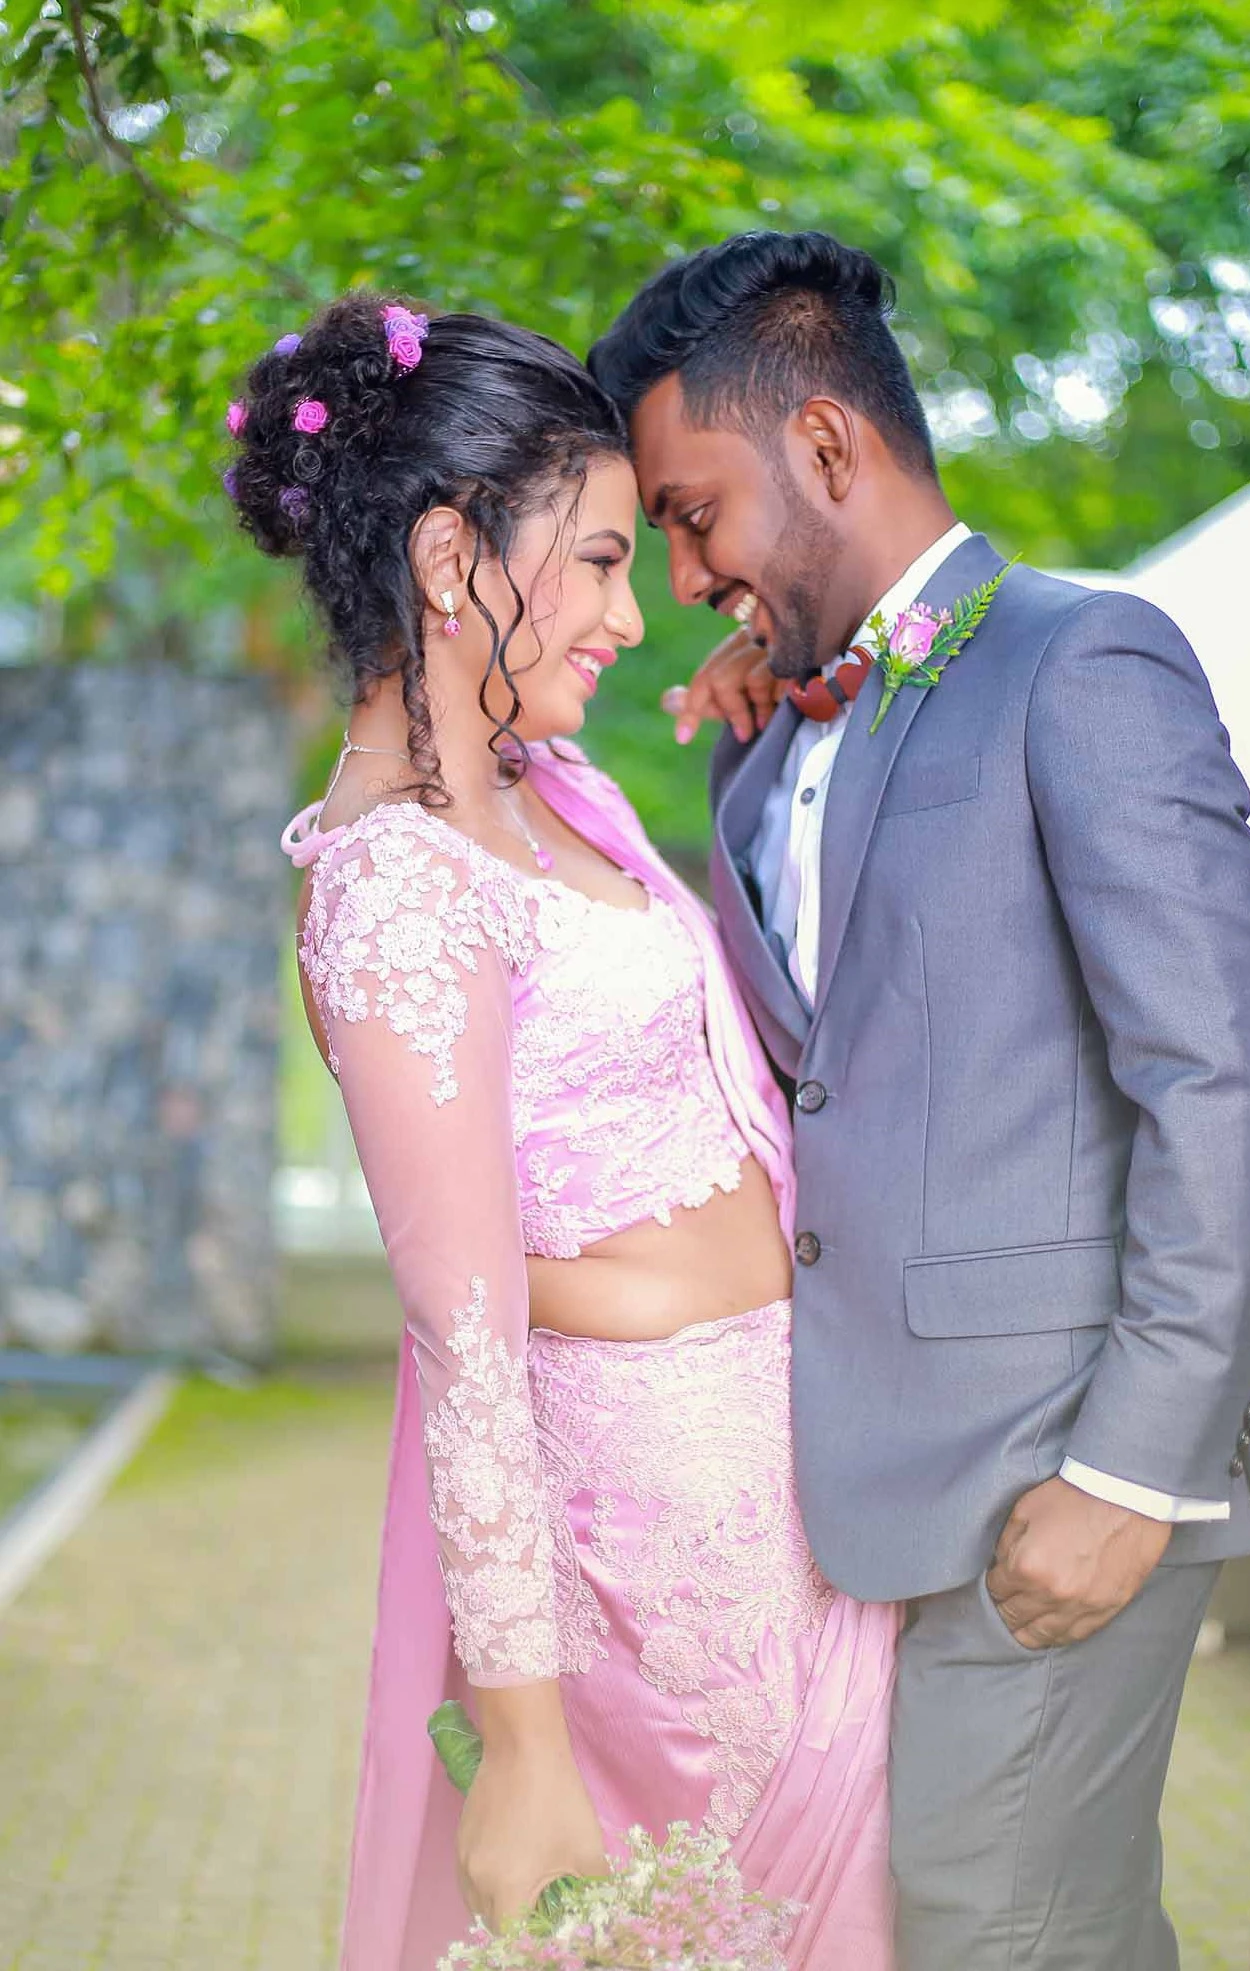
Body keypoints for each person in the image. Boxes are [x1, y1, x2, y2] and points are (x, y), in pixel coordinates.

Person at [587, 229, 1250, 1971]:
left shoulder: (1086, 662)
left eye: (691, 513)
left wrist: (1136, 1469)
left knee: (1002, 1936)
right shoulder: (764, 742)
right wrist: (749, 756)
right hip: (840, 1499)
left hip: (1054, 1483)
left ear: (827, 447)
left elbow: (1218, 1075)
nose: (681, 573)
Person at [224, 292, 899, 1971]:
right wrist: (519, 1746)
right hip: (656, 1574)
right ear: (453, 561)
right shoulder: (392, 880)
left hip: (802, 1503)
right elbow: (462, 1336)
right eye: (597, 561)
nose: (630, 611)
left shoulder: (548, 796)